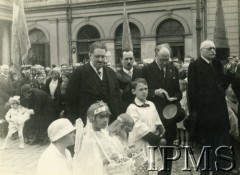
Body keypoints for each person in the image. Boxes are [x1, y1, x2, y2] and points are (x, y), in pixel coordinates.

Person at [187, 40, 232, 175]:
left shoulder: (217, 64)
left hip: (220, 114)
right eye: (209, 49)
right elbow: (191, 91)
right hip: (205, 115)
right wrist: (194, 112)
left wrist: (230, 73)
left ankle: (219, 171)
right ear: (202, 51)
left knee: (220, 146)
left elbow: (222, 85)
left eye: (214, 48)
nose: (213, 51)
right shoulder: (195, 65)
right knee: (207, 147)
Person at [142, 44, 183, 175]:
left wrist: (175, 97)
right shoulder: (146, 70)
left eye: (167, 59)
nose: (165, 62)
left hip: (170, 116)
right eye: (162, 59)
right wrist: (154, 92)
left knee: (168, 151)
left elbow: (178, 91)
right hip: (154, 117)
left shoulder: (173, 69)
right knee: (155, 151)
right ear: (156, 54)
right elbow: (140, 92)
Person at [65, 41, 122, 125]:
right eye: (97, 56)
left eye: (103, 56)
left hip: (110, 122)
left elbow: (117, 97)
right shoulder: (79, 73)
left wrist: (118, 118)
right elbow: (70, 100)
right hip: (89, 122)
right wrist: (76, 122)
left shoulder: (111, 73)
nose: (100, 59)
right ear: (90, 55)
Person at [73, 101, 135, 175]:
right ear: (92, 119)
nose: (105, 120)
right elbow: (86, 167)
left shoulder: (106, 134)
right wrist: (106, 159)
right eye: (101, 117)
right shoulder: (89, 140)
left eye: (107, 116)